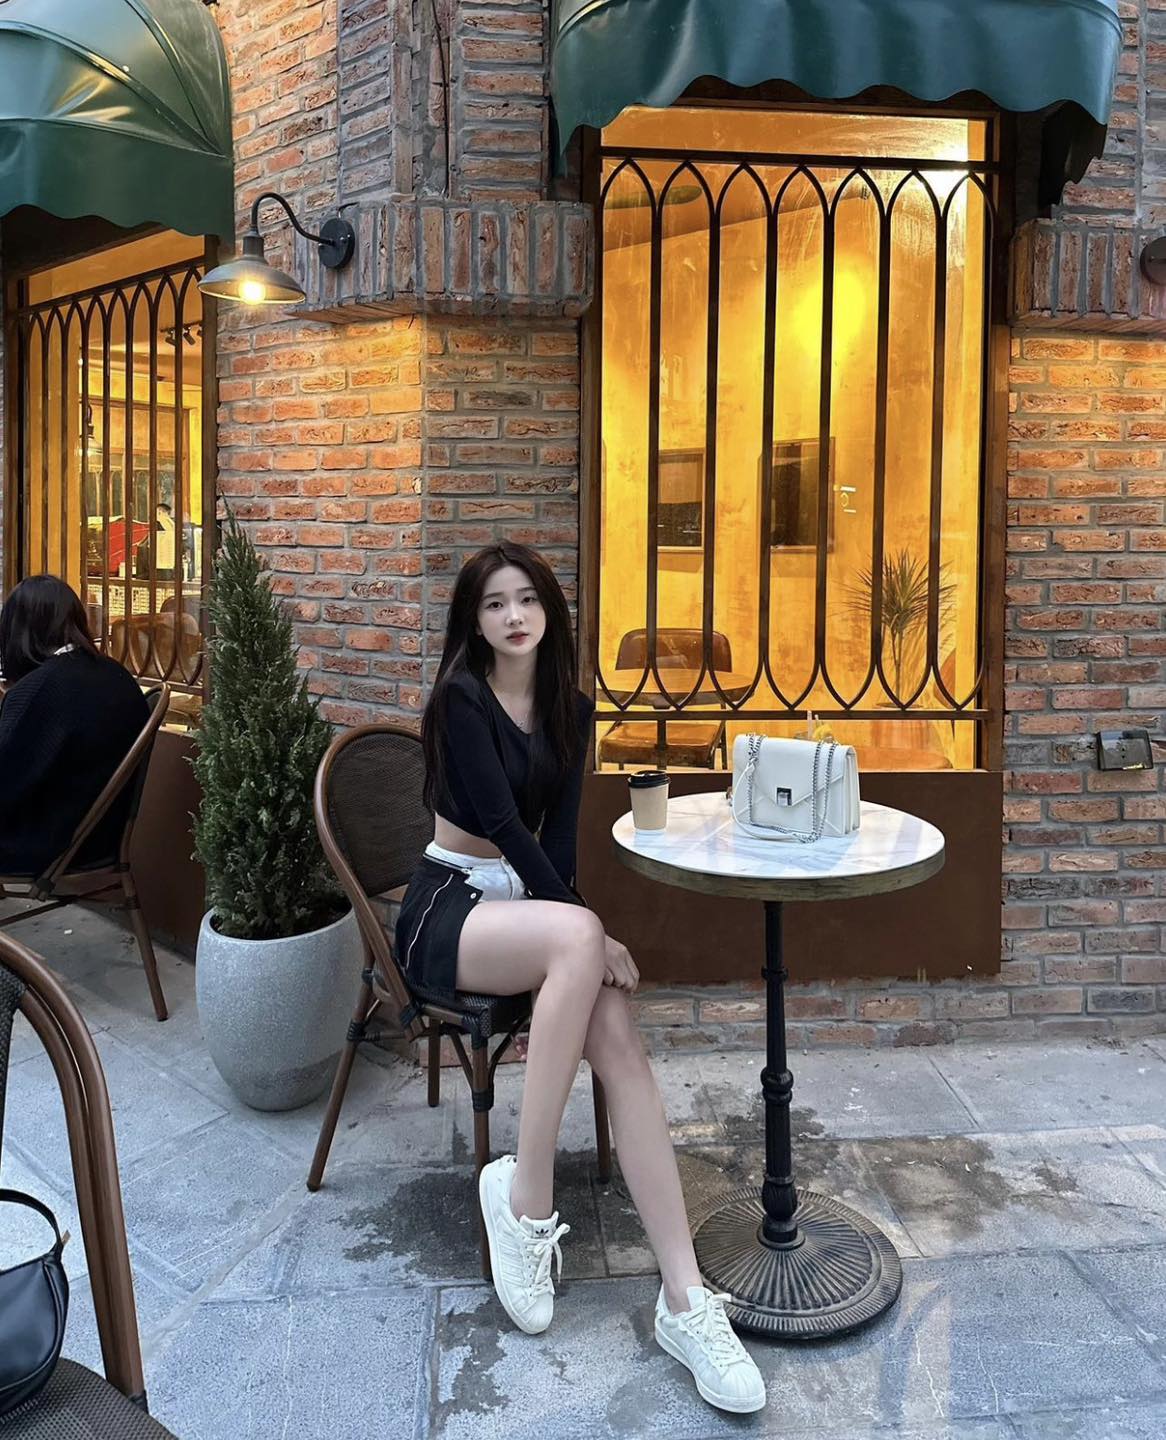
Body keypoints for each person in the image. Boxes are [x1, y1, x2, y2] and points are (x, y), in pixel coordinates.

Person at [396, 541, 766, 1415]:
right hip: (452, 907)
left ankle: (685, 1300)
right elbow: (502, 828)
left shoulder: (571, 707)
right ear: (474, 619)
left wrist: (583, 930)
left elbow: (556, 848)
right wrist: (587, 934)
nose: (514, 616)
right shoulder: (460, 699)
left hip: (534, 910)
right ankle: (526, 1200)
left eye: (527, 599)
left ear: (550, 610)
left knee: (623, 1049)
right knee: (580, 942)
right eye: (495, 603)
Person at [0, 575, 149, 877]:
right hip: (100, 838)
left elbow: (6, 786)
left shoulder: (41, 690)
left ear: (18, 630)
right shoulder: (116, 675)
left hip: (46, 845)